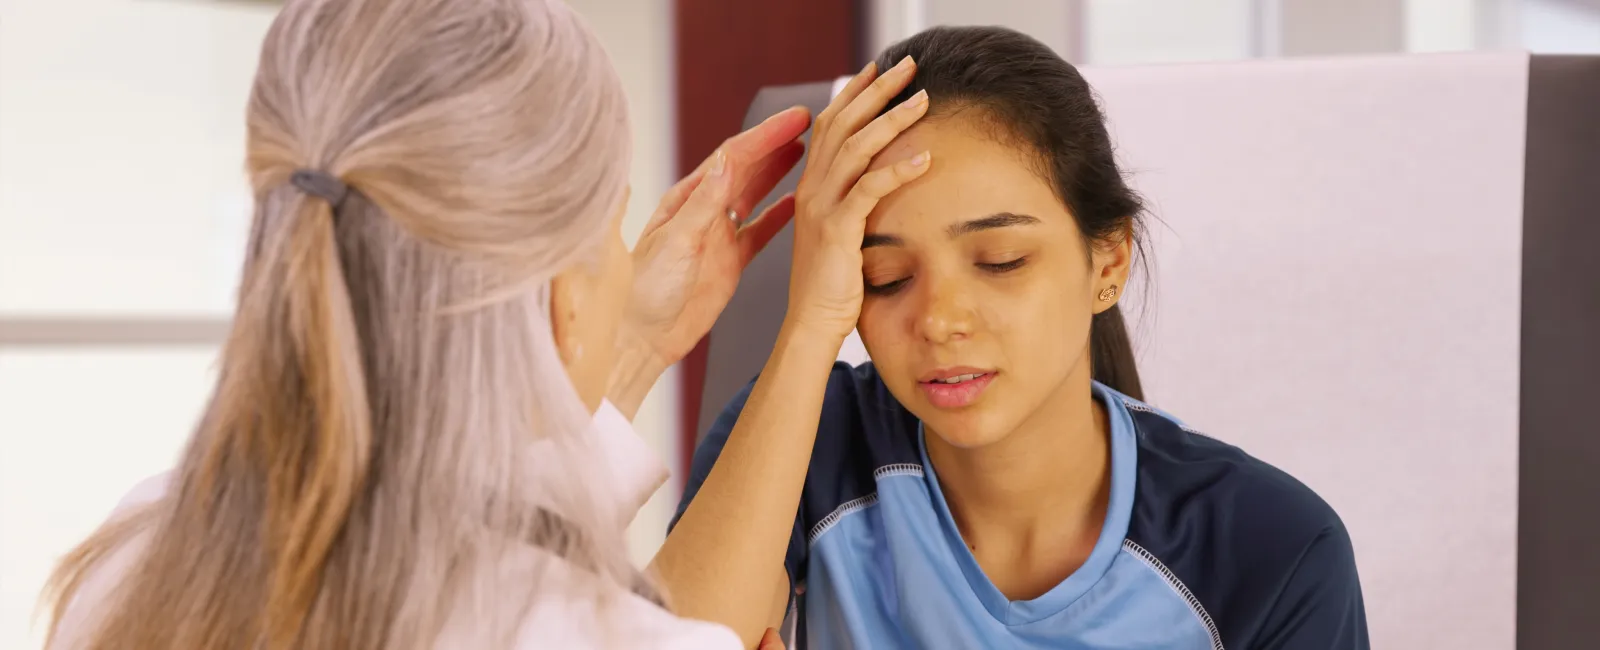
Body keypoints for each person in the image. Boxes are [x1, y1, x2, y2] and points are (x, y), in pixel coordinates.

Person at [39, 0, 809, 648]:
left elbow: (463, 528)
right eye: (612, 230)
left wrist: (633, 342)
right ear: (563, 297)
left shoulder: (128, 561)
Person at [656, 26, 1371, 649]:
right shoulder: (808, 445)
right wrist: (810, 322)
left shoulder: (1271, 548)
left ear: (1108, 261)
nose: (940, 320)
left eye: (1001, 262)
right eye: (885, 276)